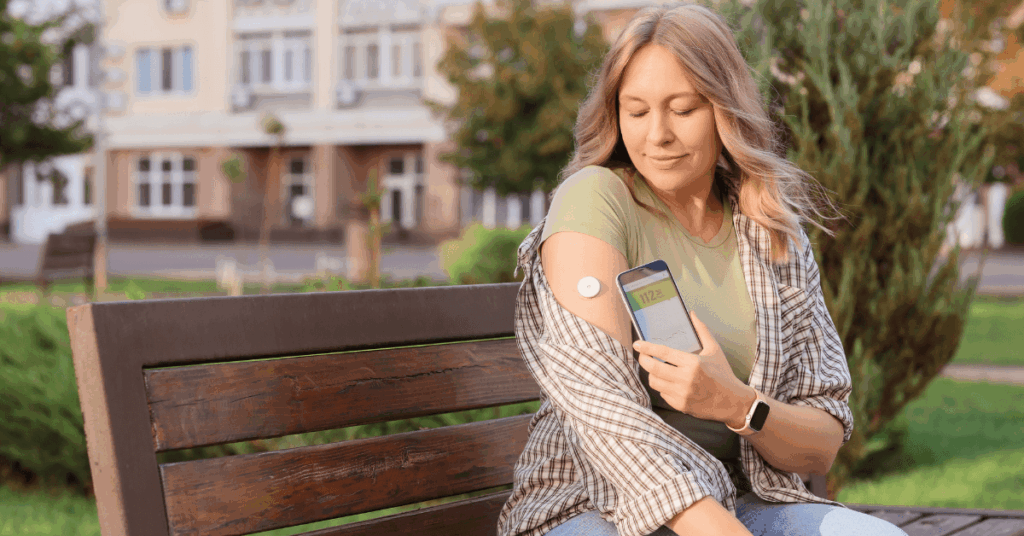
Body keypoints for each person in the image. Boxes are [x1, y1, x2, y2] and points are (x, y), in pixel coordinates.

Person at [497, 4, 907, 536]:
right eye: (637, 111)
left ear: (725, 109)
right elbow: (604, 416)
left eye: (683, 108)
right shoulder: (592, 201)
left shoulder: (769, 228)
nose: (657, 135)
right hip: (592, 508)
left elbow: (821, 442)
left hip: (738, 500)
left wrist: (736, 403)